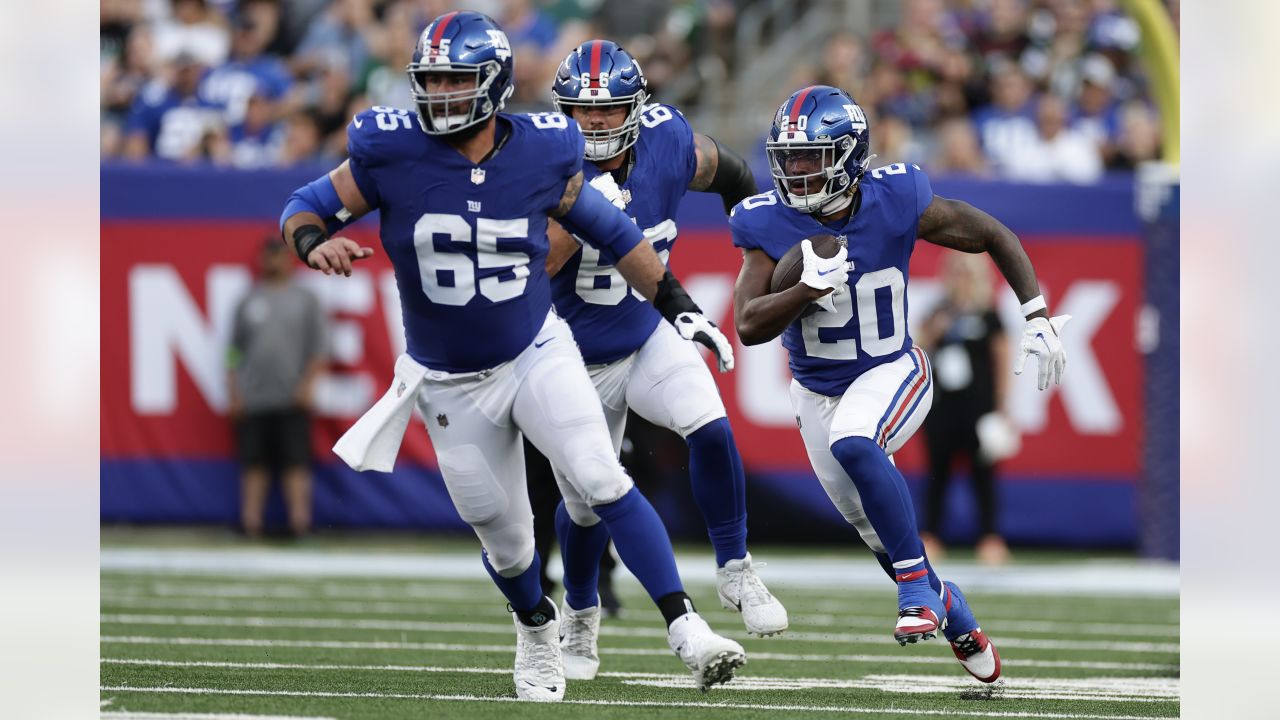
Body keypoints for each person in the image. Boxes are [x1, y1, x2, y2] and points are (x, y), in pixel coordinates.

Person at [278, 11, 744, 701]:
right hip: (448, 378)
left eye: (453, 80)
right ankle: (535, 624)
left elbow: (615, 232)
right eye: (429, 79)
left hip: (535, 348)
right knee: (505, 540)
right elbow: (305, 205)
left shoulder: (541, 149)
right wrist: (312, 242)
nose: (437, 94)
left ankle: (687, 628)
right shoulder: (391, 149)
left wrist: (676, 304)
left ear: (492, 84)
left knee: (601, 475)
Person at [730, 84, 1071, 684]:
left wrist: (1036, 312)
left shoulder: (895, 197)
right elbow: (749, 324)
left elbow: (992, 233)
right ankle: (956, 612)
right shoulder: (766, 221)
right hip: (815, 392)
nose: (799, 170)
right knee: (878, 532)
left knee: (856, 440)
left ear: (850, 154)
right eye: (790, 157)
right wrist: (805, 289)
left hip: (892, 368)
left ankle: (918, 590)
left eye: (813, 155)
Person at [542, 39, 787, 681]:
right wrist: (580, 212)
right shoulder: (540, 162)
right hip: (570, 358)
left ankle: (735, 570)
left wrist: (752, 249)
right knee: (586, 505)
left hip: (646, 329)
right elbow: (529, 265)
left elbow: (732, 173)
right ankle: (581, 613)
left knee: (710, 425)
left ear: (635, 107)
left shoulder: (667, 141)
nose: (593, 123)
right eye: (581, 111)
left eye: (607, 110)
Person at [915, 252, 1012, 566]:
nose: (961, 280)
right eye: (956, 273)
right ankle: (930, 536)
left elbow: (1002, 361)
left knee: (983, 475)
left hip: (978, 409)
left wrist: (1001, 407)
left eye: (967, 274)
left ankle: (989, 538)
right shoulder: (938, 311)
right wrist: (936, 330)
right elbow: (918, 348)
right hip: (942, 409)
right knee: (937, 474)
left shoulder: (988, 316)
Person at [226, 239, 327, 538]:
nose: (273, 262)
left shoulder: (305, 299)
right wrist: (233, 390)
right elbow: (232, 351)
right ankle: (251, 523)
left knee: (295, 462)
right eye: (268, 256)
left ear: (288, 259)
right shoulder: (247, 299)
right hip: (254, 396)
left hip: (292, 396)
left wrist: (308, 385)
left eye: (279, 256)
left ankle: (300, 523)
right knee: (253, 462)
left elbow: (319, 348)